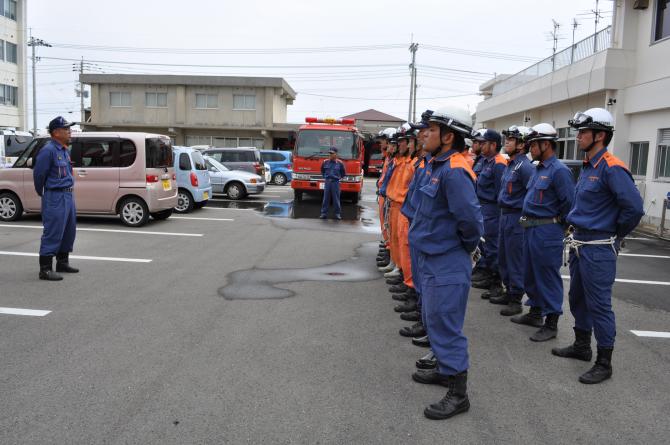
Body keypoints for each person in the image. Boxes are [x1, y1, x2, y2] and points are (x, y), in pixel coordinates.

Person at [553, 108, 644, 384]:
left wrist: (614, 234)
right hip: (580, 243)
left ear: (600, 135)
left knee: (600, 304)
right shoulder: (589, 166)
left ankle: (604, 362)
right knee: (577, 297)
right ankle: (582, 346)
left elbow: (634, 208)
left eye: (582, 132)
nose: (578, 137)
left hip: (599, 246)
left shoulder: (612, 167)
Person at [408, 105, 483, 420]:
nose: (424, 134)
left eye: (432, 129)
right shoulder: (435, 165)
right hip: (431, 256)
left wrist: (462, 248)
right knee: (433, 318)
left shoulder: (453, 170)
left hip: (447, 259)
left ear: (449, 136)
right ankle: (443, 369)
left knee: (446, 324)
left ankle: (458, 394)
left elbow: (470, 221)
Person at [516, 123, 575, 341]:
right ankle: (535, 312)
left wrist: (558, 225)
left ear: (546, 145)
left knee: (547, 275)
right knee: (529, 272)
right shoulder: (538, 169)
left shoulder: (559, 171)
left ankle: (551, 323)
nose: (530, 148)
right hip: (529, 227)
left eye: (533, 144)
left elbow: (570, 203)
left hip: (547, 230)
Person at [491, 126, 534, 316]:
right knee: (503, 256)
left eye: (511, 139)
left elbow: (530, 194)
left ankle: (516, 298)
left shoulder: (525, 167)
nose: (506, 142)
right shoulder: (511, 164)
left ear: (522, 144)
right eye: (507, 138)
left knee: (515, 258)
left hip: (517, 216)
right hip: (504, 214)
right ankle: (508, 290)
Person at [32, 116, 79, 281]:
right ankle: (45, 269)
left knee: (68, 230)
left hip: (67, 194)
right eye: (66, 129)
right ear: (56, 132)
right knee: (53, 231)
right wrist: (43, 193)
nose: (69, 132)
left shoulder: (63, 149)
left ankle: (62, 262)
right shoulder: (48, 150)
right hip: (55, 195)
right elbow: (39, 175)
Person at [386, 124, 418, 313]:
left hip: (406, 208)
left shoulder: (415, 163)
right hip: (399, 205)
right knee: (399, 243)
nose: (396, 146)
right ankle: (404, 279)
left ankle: (411, 288)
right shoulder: (403, 161)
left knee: (407, 248)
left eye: (408, 141)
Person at [472, 129, 507, 297]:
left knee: (493, 246)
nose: (481, 145)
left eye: (484, 143)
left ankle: (496, 282)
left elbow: (501, 191)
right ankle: (488, 275)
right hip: (482, 207)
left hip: (492, 209)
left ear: (493, 145)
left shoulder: (499, 163)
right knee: (485, 245)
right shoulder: (487, 161)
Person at [319, 147, 346, 220]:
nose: (330, 155)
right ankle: (323, 213)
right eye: (329, 153)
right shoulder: (325, 162)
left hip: (335, 182)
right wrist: (325, 177)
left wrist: (338, 178)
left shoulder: (340, 163)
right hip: (327, 182)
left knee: (336, 199)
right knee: (326, 198)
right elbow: (322, 170)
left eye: (332, 153)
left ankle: (337, 214)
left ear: (336, 154)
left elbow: (343, 173)